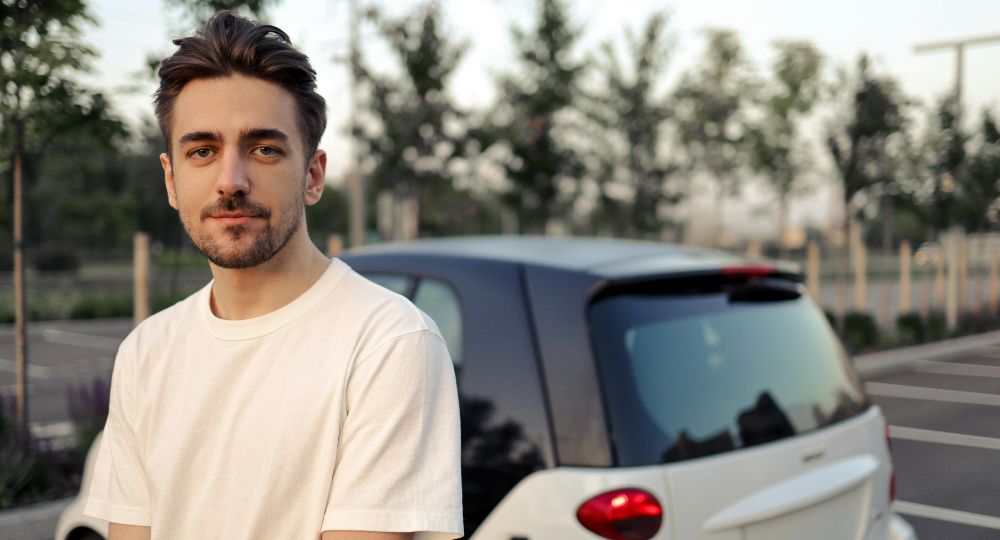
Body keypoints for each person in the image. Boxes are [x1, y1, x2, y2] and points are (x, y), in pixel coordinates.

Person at [83, 12, 462, 540]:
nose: (230, 181)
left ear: (312, 175)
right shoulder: (147, 351)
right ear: (171, 180)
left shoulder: (388, 343)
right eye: (202, 151)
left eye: (264, 149)